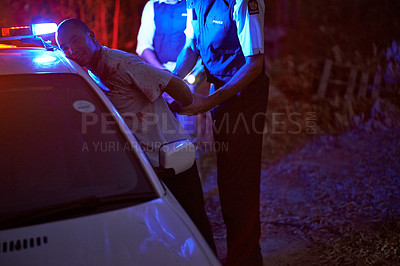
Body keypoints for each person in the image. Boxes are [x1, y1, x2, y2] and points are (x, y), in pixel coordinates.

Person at [55, 18, 216, 252]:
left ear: (92, 35)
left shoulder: (122, 63)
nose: (71, 50)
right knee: (163, 238)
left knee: (194, 234)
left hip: (172, 162)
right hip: (143, 172)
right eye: (64, 47)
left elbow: (180, 90)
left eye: (75, 40)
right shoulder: (86, 74)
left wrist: (175, 102)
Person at [173, 0, 269, 265]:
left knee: (240, 182)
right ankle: (241, 255)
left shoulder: (241, 2)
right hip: (221, 90)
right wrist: (168, 82)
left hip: (245, 95)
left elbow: (254, 64)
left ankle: (247, 259)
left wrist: (208, 102)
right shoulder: (195, 2)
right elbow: (191, 48)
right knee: (227, 180)